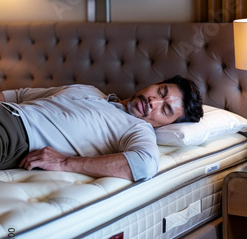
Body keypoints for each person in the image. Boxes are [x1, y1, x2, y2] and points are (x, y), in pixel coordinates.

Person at [0, 75, 203, 182]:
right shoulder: (89, 90)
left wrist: (65, 162)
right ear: (155, 83)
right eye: (160, 92)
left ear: (168, 124)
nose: (153, 101)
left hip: (12, 136)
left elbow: (145, 165)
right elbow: (17, 96)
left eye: (165, 109)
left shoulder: (137, 129)